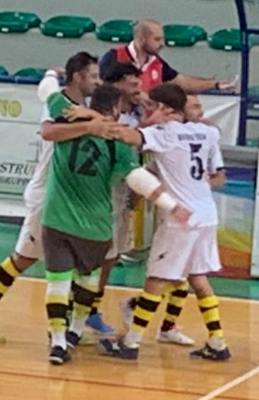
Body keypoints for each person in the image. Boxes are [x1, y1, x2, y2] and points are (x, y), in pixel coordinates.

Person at [0, 52, 114, 342]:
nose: (98, 82)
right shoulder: (59, 105)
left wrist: (51, 73)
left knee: (73, 264)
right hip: (47, 194)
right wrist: (88, 126)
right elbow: (49, 133)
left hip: (69, 195)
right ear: (78, 77)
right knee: (24, 258)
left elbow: (45, 85)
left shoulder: (80, 105)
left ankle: (64, 326)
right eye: (94, 76)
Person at [41, 84, 191, 365]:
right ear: (113, 109)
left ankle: (58, 342)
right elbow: (137, 179)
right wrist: (171, 205)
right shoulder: (117, 142)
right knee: (87, 283)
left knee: (57, 283)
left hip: (56, 217)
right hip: (95, 225)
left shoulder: (67, 114)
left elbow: (47, 92)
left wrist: (53, 75)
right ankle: (75, 330)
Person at [100, 83, 231, 362]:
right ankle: (218, 342)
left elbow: (125, 135)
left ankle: (131, 343)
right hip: (207, 214)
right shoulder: (207, 132)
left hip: (181, 218)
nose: (148, 110)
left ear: (163, 108)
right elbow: (210, 144)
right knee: (198, 277)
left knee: (157, 279)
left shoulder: (164, 133)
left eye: (151, 106)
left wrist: (95, 122)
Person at [99, 19, 236, 94]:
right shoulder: (113, 57)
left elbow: (182, 82)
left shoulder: (157, 63)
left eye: (162, 39)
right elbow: (102, 88)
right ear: (141, 39)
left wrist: (215, 84)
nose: (162, 44)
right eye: (157, 39)